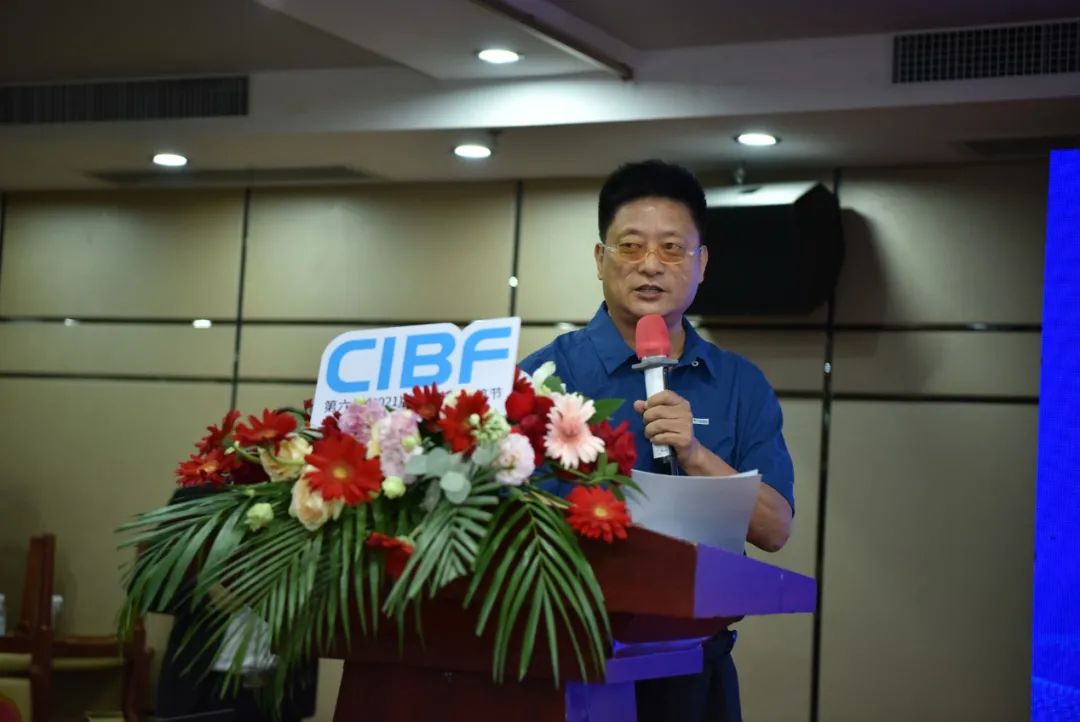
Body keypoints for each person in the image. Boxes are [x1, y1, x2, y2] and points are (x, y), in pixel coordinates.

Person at [519, 159, 795, 722]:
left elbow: (774, 529)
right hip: (570, 661)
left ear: (702, 263)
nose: (650, 265)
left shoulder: (739, 383)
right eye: (630, 246)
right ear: (600, 259)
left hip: (697, 668)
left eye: (672, 248)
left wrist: (695, 455)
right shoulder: (542, 378)